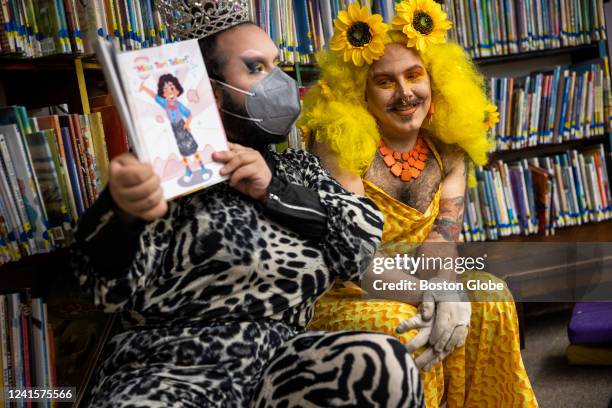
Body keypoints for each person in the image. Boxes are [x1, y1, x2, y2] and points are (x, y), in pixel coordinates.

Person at [71, 1, 424, 407]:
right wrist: (123, 211)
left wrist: (272, 189)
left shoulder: (296, 171)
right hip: (172, 369)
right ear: (211, 89)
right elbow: (106, 288)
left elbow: (359, 243)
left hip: (282, 364)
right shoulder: (163, 176)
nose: (279, 82)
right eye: (255, 68)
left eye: (276, 65)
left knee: (381, 362)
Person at [299, 1, 538, 406]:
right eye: (385, 82)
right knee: (405, 327)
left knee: (491, 298)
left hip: (419, 281)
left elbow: (441, 246)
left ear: (434, 81)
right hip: (346, 294)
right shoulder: (338, 145)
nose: (406, 93)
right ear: (361, 92)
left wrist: (446, 289)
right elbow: (362, 267)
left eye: (414, 75)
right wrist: (440, 299)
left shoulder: (448, 148)